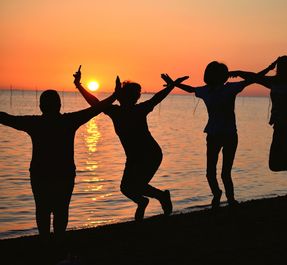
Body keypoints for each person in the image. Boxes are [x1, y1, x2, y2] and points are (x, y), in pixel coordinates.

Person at [0, 86, 117, 238]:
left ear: (41, 106)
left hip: (40, 173)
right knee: (61, 209)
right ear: (59, 105)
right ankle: (58, 240)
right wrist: (115, 95)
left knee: (42, 209)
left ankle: (45, 241)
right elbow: (96, 109)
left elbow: (6, 118)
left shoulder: (34, 123)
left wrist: (114, 95)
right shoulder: (68, 121)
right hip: (64, 173)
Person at [74, 67, 188, 221]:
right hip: (134, 157)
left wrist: (172, 85)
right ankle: (145, 200)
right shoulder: (115, 111)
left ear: (127, 97)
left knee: (136, 186)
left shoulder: (136, 110)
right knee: (126, 188)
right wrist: (79, 85)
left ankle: (160, 197)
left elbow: (157, 98)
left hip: (150, 154)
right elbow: (95, 103)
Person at [162, 61, 256, 209]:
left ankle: (230, 199)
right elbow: (190, 89)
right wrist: (173, 83)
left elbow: (253, 79)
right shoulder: (207, 90)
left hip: (229, 135)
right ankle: (218, 194)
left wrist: (263, 69)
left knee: (225, 172)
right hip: (214, 135)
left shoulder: (229, 88)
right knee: (211, 172)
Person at [229, 49, 287, 192]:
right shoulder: (274, 82)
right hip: (280, 128)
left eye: (281, 67)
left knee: (285, 162)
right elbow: (255, 77)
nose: (278, 70)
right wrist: (238, 72)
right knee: (274, 165)